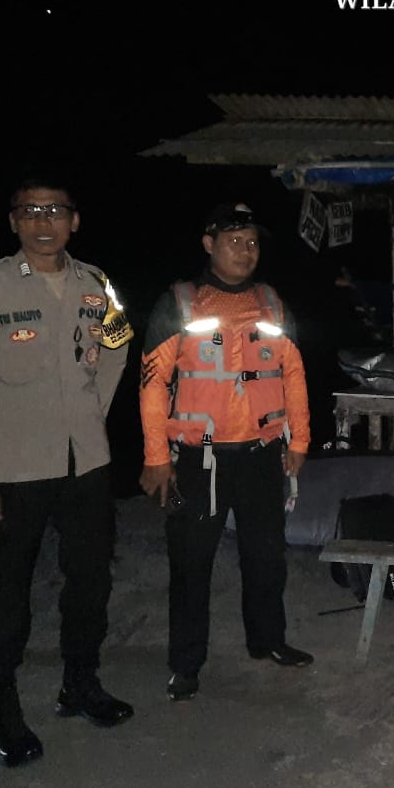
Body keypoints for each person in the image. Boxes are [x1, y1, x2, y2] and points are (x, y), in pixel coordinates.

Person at [0, 173, 135, 768]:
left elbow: (118, 343)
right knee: (6, 594)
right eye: (30, 212)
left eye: (55, 211)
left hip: (87, 462)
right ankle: (0, 708)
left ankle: (79, 685)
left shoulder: (98, 283)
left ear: (74, 220)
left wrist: (91, 411)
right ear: (13, 222)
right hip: (13, 464)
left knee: (91, 583)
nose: (43, 221)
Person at [139, 202, 312, 702]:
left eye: (252, 241)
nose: (245, 250)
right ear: (208, 244)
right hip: (199, 459)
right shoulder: (180, 300)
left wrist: (299, 440)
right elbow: (153, 383)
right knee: (192, 563)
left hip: (262, 454)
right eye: (233, 240)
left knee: (266, 557)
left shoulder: (273, 304)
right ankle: (186, 663)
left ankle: (268, 641)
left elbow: (295, 374)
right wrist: (156, 456)